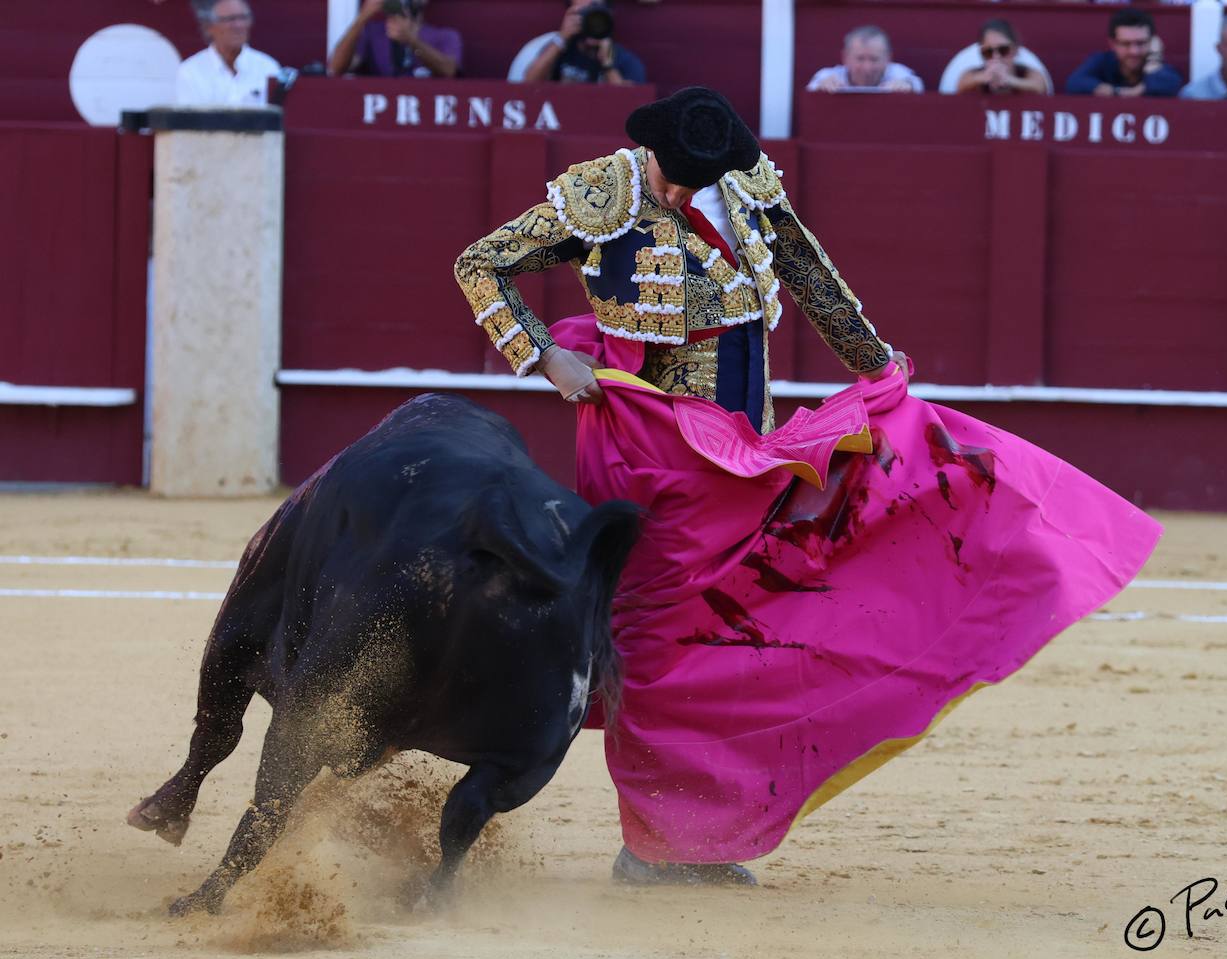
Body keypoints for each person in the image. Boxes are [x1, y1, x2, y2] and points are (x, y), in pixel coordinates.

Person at [453, 87, 1161, 885]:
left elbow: (814, 281)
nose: (681, 193)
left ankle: (697, 834)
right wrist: (546, 357)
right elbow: (479, 264)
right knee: (659, 637)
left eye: (696, 180)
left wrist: (880, 374)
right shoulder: (600, 194)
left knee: (738, 627)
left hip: (744, 448)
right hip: (649, 445)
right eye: (672, 177)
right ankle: (653, 843)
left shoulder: (749, 187)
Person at [510, 0, 647, 85]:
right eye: (584, 13)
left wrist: (607, 65)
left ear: (608, 16)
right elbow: (528, 85)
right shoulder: (560, 50)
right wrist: (562, 37)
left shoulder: (625, 59)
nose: (591, 21)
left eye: (596, 14)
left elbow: (629, 103)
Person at [174, 0, 281, 107]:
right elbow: (190, 121)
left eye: (243, 18)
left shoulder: (267, 68)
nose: (238, 25)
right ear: (209, 27)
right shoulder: (190, 72)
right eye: (229, 19)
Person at [1065, 8, 1183, 98]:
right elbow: (1074, 83)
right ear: (1113, 44)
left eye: (1141, 43)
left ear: (1152, 42)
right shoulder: (1102, 61)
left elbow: (1169, 86)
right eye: (1126, 44)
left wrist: (1154, 59)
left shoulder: (1157, 66)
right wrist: (1121, 92)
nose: (1134, 51)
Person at [327, 0, 461, 79]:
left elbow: (449, 70)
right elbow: (335, 68)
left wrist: (411, 41)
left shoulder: (445, 36)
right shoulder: (372, 32)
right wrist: (362, 17)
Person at [806, 25, 923, 92]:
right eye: (860, 59)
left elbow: (917, 85)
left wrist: (907, 85)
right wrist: (821, 87)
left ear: (888, 58)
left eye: (874, 59)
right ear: (845, 58)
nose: (867, 67)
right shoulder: (829, 75)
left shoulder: (898, 73)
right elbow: (812, 88)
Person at [954, 20, 1050, 96]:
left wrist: (1009, 80)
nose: (996, 57)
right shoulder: (974, 75)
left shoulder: (1026, 73)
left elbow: (1039, 85)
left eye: (1003, 50)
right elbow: (961, 85)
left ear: (1015, 50)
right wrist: (984, 77)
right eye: (989, 52)